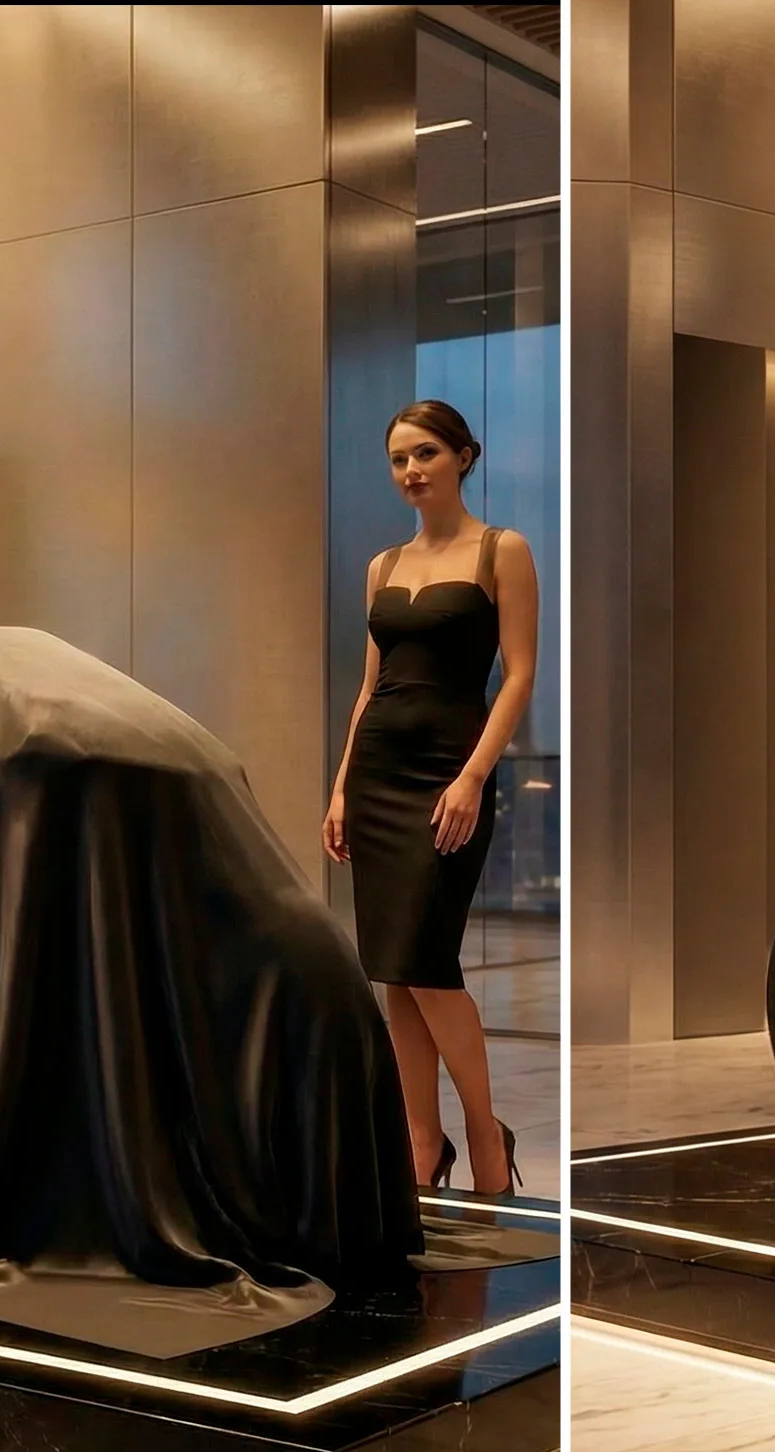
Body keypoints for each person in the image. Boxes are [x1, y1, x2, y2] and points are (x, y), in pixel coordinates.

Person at [324, 400, 541, 1196]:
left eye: (425, 454)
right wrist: (341, 787)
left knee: (428, 963)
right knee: (396, 969)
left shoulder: (500, 550)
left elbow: (518, 675)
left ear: (462, 457)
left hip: (452, 773)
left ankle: (484, 1132)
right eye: (398, 459)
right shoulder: (382, 566)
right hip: (378, 777)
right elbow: (370, 688)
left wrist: (474, 775)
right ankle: (422, 1142)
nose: (411, 470)